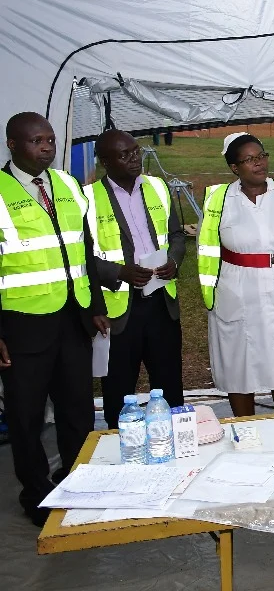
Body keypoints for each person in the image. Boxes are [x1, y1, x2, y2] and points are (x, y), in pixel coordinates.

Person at [0, 112, 109, 527]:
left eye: (50, 140)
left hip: (72, 318)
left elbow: (82, 252)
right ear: (12, 145)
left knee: (77, 408)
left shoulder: (66, 185)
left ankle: (75, 481)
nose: (46, 147)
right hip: (23, 322)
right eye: (36, 141)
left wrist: (95, 306)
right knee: (27, 415)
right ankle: (36, 493)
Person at [198, 133, 274, 417]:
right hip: (238, 289)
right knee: (241, 363)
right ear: (234, 168)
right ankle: (245, 428)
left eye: (262, 156)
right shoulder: (218, 199)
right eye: (249, 159)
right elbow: (207, 245)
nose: (259, 163)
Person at [85, 130, 186, 429]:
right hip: (119, 309)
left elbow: (178, 235)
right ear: (105, 161)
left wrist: (174, 261)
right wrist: (118, 272)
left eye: (135, 151)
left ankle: (173, 440)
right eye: (123, 154)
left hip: (161, 303)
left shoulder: (158, 187)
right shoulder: (88, 198)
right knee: (118, 389)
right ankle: (122, 450)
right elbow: (81, 256)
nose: (133, 159)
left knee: (169, 384)